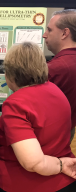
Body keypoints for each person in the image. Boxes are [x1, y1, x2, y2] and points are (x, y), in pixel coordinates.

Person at [0, 42, 76, 192]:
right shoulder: (56, 91)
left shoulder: (16, 104)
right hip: (63, 183)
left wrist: (61, 165)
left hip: (26, 184)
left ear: (10, 74)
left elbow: (32, 162)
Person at [43, 9, 76, 142]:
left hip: (46, 137)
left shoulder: (54, 69)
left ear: (65, 33)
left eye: (49, 30)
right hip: (67, 132)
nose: (44, 35)